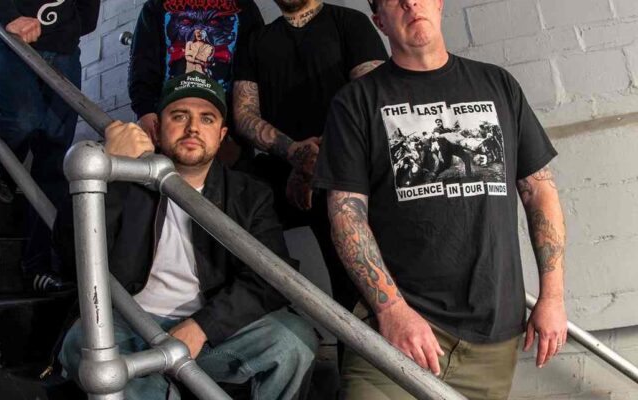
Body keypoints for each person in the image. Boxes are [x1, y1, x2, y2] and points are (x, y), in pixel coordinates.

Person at [314, 0, 568, 398]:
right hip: (394, 334)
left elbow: (540, 193)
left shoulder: (498, 85)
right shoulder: (356, 102)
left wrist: (552, 296)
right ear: (380, 21)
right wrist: (392, 310)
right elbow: (346, 216)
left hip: (490, 340)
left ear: (439, 4)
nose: (410, 3)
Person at [56, 72, 318, 400]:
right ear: (156, 128)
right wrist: (110, 171)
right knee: (81, 343)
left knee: (294, 341)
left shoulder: (249, 195)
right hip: (129, 327)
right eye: (179, 116)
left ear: (221, 135)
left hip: (209, 332)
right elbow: (69, 256)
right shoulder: (124, 180)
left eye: (206, 119)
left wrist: (203, 326)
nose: (193, 128)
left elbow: (273, 279)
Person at [233, 0, 388, 313]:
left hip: (345, 168)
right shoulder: (256, 41)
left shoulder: (349, 22)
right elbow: (244, 114)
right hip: (282, 168)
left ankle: (360, 335)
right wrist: (294, 153)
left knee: (355, 281)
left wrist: (316, 162)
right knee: (231, 218)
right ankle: (270, 328)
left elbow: (373, 98)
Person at [0, 0, 99, 292]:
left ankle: (39, 265)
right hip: (10, 36)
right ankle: (5, 169)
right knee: (23, 120)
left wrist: (65, 31)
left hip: (64, 52)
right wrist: (9, 16)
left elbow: (89, 17)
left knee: (56, 158)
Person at [129, 0, 263, 168]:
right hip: (169, 129)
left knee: (231, 183)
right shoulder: (156, 5)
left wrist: (240, 134)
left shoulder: (244, 5)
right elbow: (141, 63)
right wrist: (145, 111)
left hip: (229, 136)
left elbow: (257, 69)